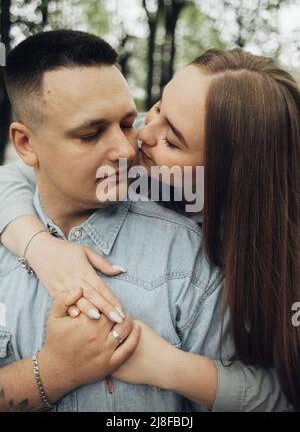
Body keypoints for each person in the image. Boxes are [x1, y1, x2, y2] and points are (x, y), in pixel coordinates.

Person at [1, 46, 299, 412]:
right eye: (155, 108)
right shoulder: (141, 146)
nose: (138, 138)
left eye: (172, 140)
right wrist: (39, 247)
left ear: (229, 177)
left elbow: (287, 396)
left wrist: (169, 368)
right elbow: (20, 173)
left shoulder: (258, 262)